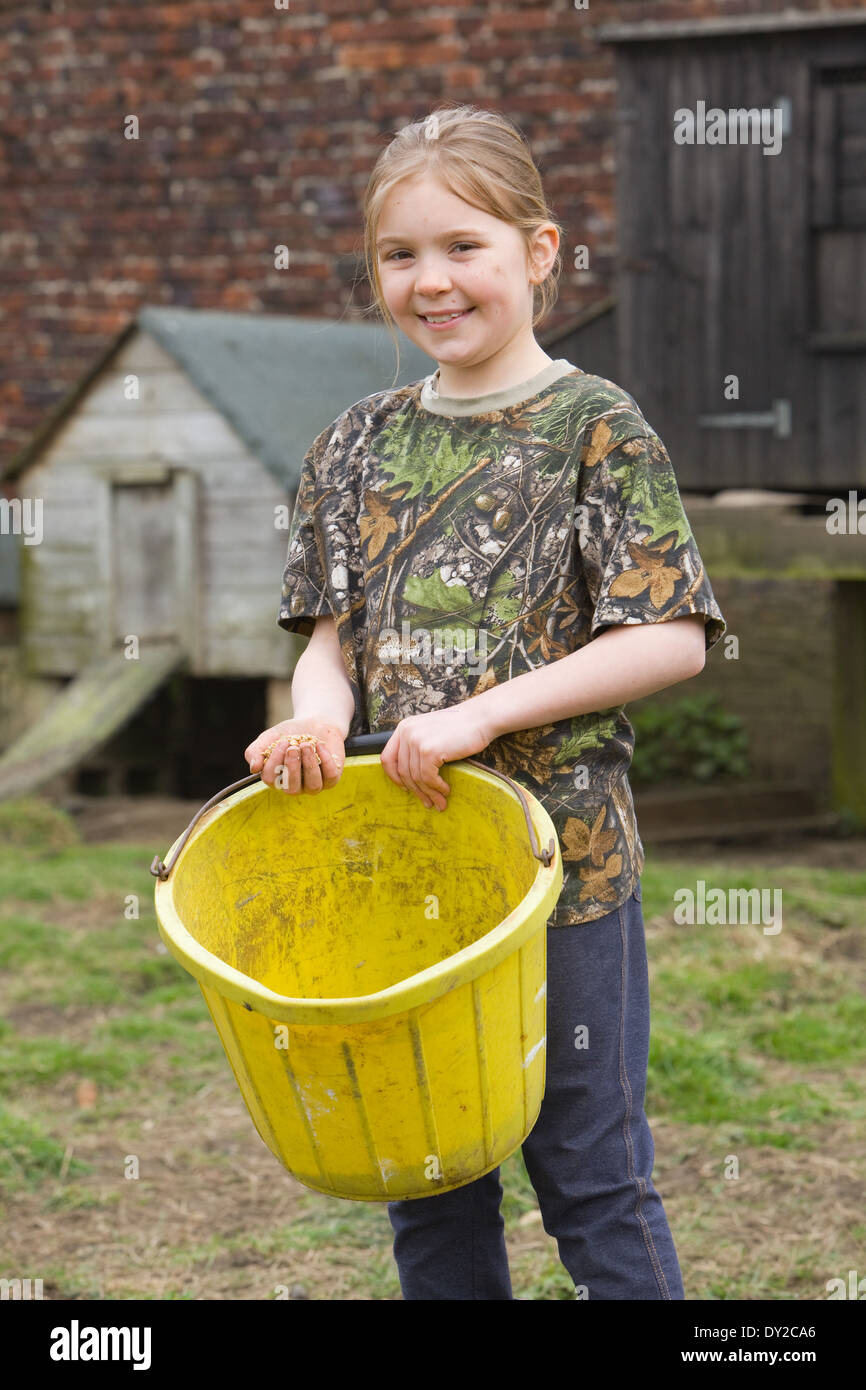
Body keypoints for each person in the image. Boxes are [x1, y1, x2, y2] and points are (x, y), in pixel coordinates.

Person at [244, 104, 727, 1300]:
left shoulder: (595, 429)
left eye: (464, 246)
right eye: (399, 255)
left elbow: (668, 638)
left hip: (560, 870)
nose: (432, 281)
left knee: (590, 1175)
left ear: (538, 250)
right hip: (399, 875)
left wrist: (480, 716)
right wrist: (315, 712)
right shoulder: (351, 444)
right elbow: (328, 647)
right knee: (425, 1172)